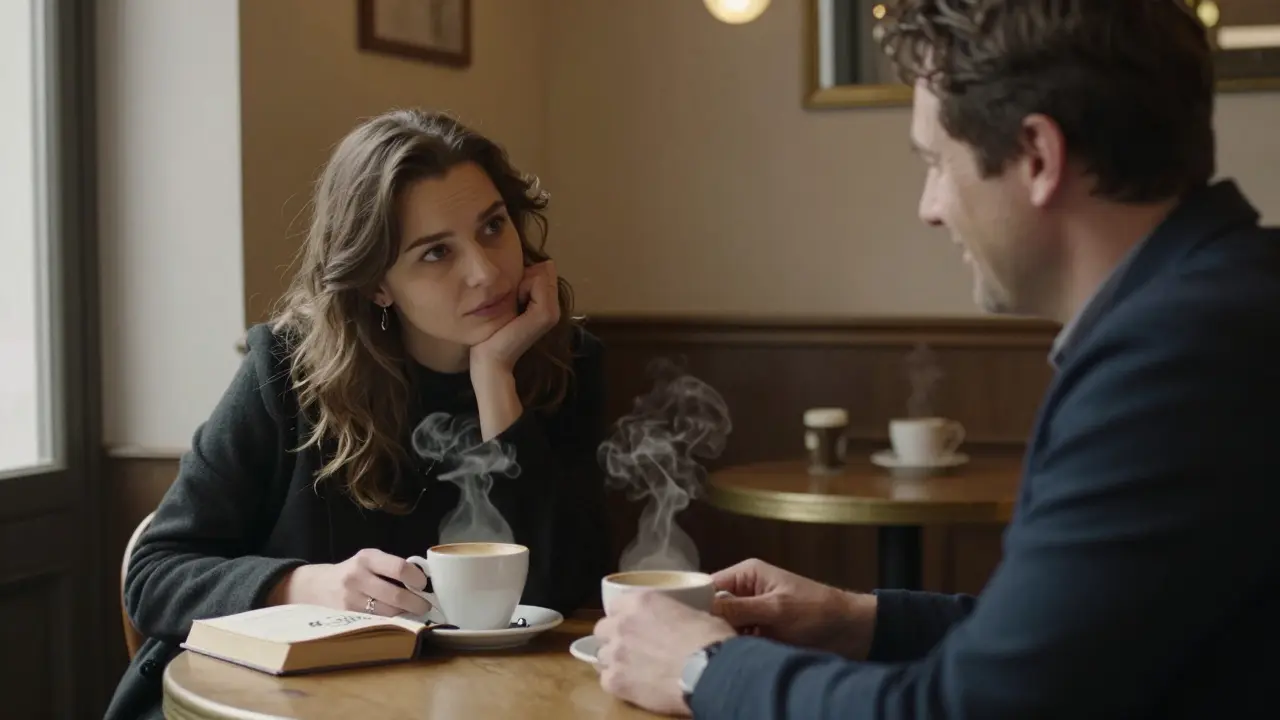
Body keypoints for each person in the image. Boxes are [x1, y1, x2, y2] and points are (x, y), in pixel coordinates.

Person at [593, 0, 1280, 717]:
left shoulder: (1175, 361)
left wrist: (703, 669)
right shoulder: (1222, 307)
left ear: (1038, 158)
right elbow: (1068, 651)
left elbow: (970, 709)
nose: (930, 206)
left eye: (936, 163)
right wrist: (857, 618)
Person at [105, 109, 613, 720]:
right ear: (377, 284)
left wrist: (496, 384)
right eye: (435, 253)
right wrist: (302, 586)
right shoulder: (288, 371)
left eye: (492, 226)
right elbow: (155, 574)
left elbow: (568, 588)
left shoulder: (564, 363)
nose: (484, 271)